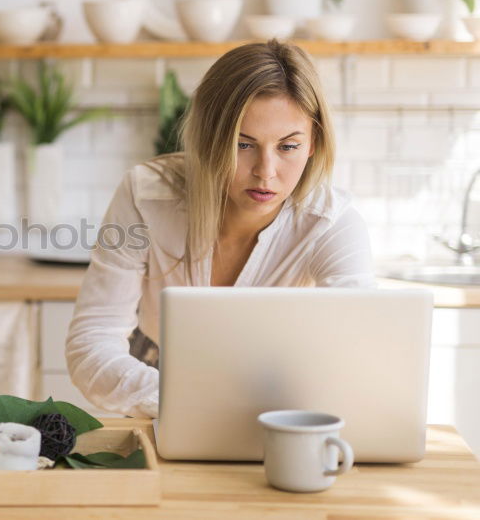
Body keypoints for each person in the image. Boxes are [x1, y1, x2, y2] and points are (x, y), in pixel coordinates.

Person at [65, 39, 375, 419]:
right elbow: (91, 341)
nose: (266, 171)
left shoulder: (331, 222)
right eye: (243, 145)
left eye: (288, 147)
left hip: (279, 394)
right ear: (210, 141)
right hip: (153, 379)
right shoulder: (146, 196)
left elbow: (359, 347)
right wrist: (189, 402)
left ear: (313, 144)